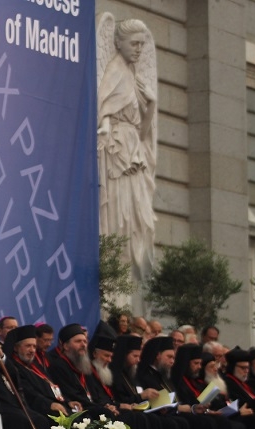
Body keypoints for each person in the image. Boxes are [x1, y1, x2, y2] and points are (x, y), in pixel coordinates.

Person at [98, 18, 157, 282]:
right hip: (117, 152)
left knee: (140, 219)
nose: (138, 50)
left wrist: (152, 104)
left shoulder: (135, 76)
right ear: (118, 43)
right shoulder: (114, 71)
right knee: (120, 219)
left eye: (142, 45)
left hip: (134, 152)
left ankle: (130, 279)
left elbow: (144, 133)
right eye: (134, 44)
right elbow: (102, 113)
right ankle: (115, 280)